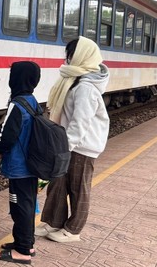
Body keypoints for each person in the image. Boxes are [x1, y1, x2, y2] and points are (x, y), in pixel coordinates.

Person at [36, 36, 110, 243]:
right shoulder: (73, 80)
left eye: (71, 54)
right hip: (68, 142)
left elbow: (80, 122)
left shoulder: (85, 87)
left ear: (82, 57)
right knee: (58, 183)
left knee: (78, 187)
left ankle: (73, 230)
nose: (67, 59)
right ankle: (53, 222)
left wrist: (65, 147)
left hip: (82, 146)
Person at [0, 61, 41, 264]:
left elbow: (7, 135)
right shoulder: (32, 100)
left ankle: (22, 250)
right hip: (31, 165)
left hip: (19, 166)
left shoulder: (17, 104)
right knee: (27, 204)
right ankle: (26, 243)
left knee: (19, 206)